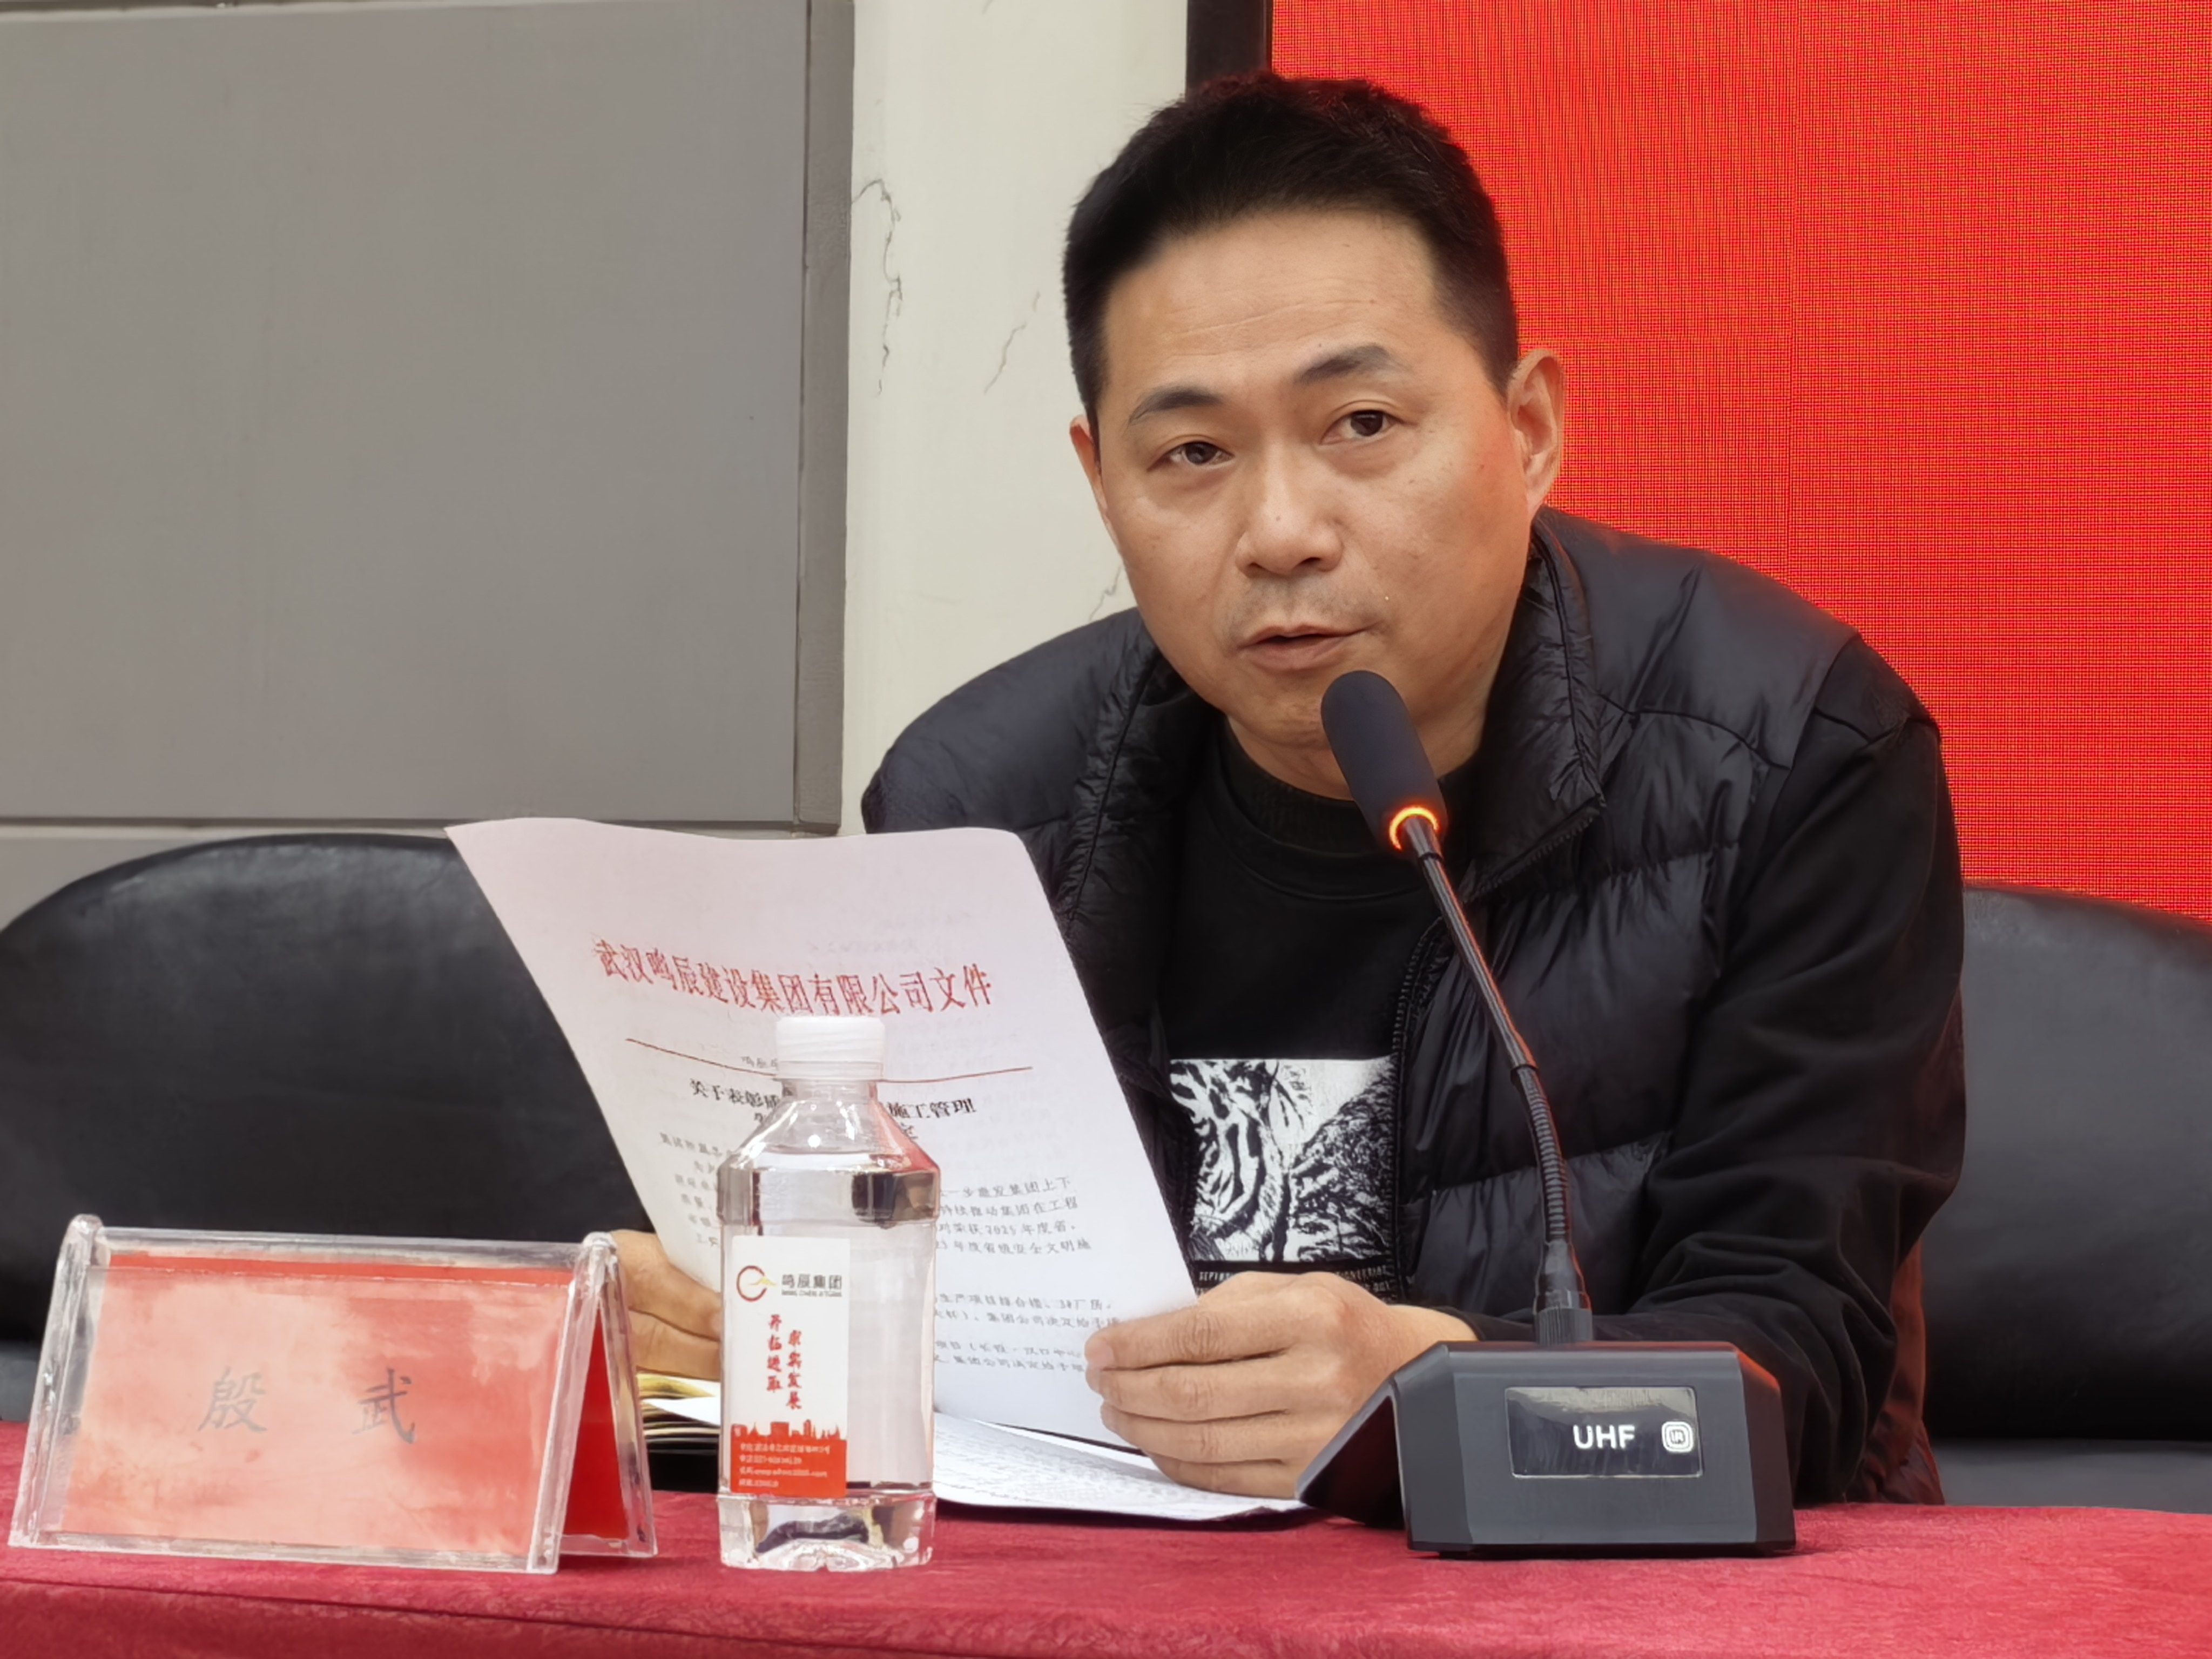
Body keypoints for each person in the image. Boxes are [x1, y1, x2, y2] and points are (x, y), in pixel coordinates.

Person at [619, 73, 1964, 1505]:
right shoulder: (977, 806)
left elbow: (1799, 1375)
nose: (1279, 531)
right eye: (1192, 454)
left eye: (1361, 424)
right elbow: (922, 1356)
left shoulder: (1795, 753)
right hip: (1115, 1589)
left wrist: (1429, 1399)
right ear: (1101, 481)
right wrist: (727, 1332)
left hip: (1633, 1596)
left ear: (1528, 431)